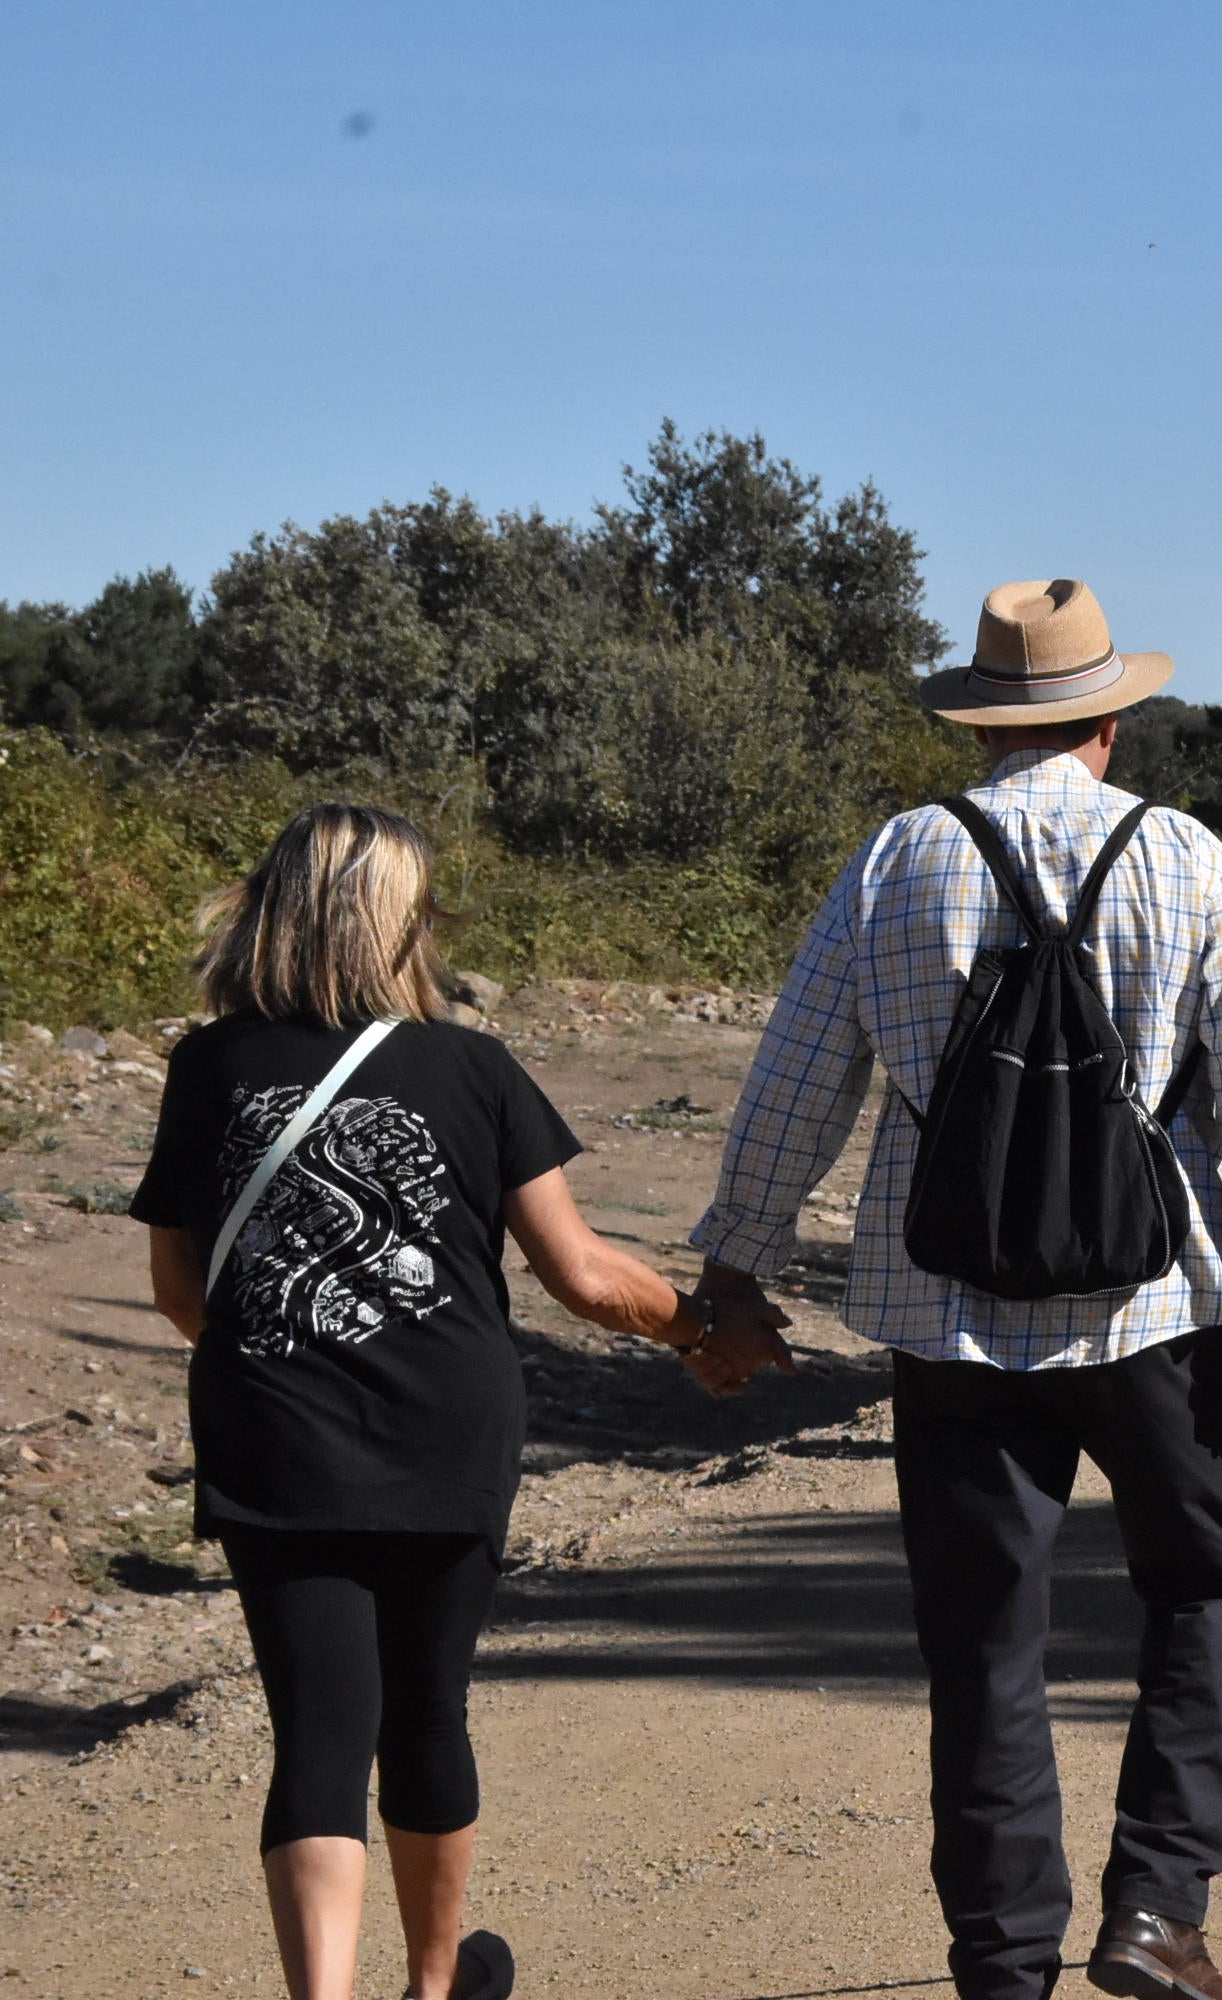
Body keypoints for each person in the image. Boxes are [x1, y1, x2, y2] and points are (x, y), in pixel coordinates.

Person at [690, 579, 1222, 2000]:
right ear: (1109, 719)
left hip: (948, 1304)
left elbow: (797, 1080)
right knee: (1208, 1584)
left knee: (984, 1637)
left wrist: (738, 1267)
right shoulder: (1187, 856)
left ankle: (1003, 1962)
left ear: (980, 726)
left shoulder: (900, 860)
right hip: (1154, 1300)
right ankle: (1157, 1907)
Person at [133, 804, 793, 2000]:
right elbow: (583, 1275)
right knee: (427, 1713)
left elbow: (182, 1288)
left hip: (273, 1430)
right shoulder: (473, 1065)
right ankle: (435, 1989)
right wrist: (705, 1333)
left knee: (318, 1735)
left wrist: (285, 1360)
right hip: (446, 1428)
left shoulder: (209, 1065)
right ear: (401, 925)